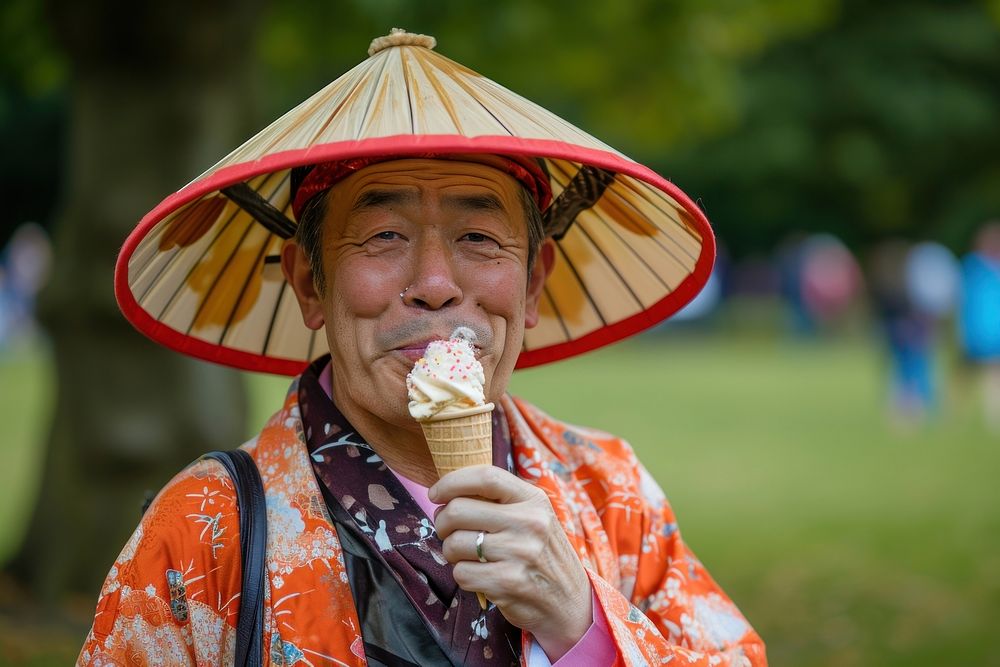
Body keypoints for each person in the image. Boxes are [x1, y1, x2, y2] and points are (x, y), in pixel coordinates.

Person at [79, 30, 767, 666]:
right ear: (307, 282)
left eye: (479, 238)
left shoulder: (611, 492)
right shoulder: (204, 530)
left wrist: (582, 626)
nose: (435, 284)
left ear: (533, 282)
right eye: (383, 236)